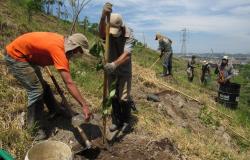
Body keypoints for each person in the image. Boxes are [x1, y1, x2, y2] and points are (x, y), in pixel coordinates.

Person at [4, 32, 92, 140]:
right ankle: (33, 130)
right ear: (75, 48)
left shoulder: (62, 43)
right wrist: (84, 105)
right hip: (16, 56)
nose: (80, 54)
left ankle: (55, 109)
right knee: (36, 90)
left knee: (43, 86)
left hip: (27, 56)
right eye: (80, 51)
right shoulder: (58, 50)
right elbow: (69, 83)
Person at [99, 3, 134, 132]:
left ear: (121, 27)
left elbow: (126, 55)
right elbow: (100, 33)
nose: (113, 34)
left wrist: (114, 64)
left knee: (123, 97)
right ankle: (116, 121)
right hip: (111, 70)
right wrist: (103, 17)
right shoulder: (108, 29)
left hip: (123, 70)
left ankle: (126, 121)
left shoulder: (129, 34)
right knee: (112, 95)